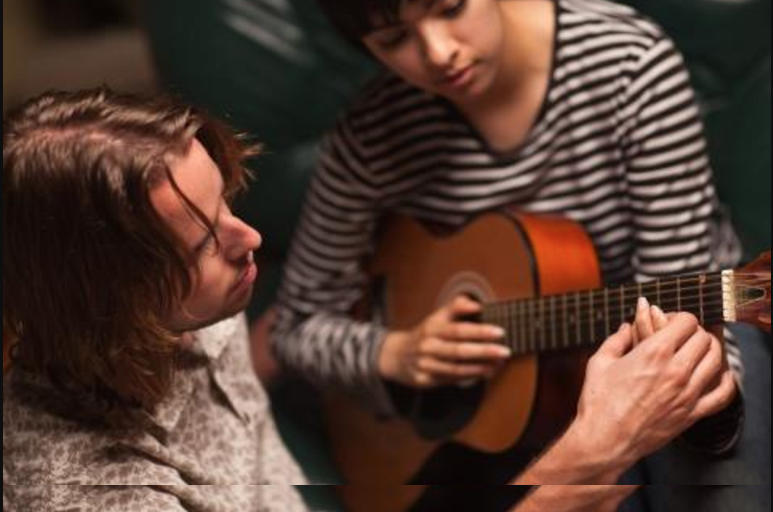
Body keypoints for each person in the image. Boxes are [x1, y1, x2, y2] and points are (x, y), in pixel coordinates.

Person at [267, 0, 749, 508]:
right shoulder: (373, 137)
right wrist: (396, 353)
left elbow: (677, 339)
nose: (439, 53)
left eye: (451, 8)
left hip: (670, 349)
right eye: (393, 40)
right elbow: (295, 327)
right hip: (489, 432)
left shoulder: (629, 63)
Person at [2, 88, 307, 511]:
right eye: (203, 245)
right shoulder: (98, 495)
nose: (249, 238)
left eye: (223, 201)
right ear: (106, 300)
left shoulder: (197, 305)